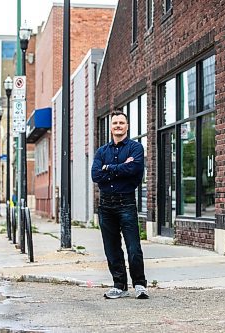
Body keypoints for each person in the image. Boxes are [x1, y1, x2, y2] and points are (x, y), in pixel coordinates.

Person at [91, 110, 149, 299]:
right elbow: (95, 175)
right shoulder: (102, 151)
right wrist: (121, 168)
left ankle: (140, 285)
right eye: (115, 123)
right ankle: (120, 285)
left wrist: (109, 168)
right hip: (106, 206)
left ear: (127, 126)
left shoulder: (136, 148)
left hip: (126, 203)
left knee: (133, 247)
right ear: (111, 127)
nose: (118, 126)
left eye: (121, 123)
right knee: (112, 248)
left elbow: (135, 168)